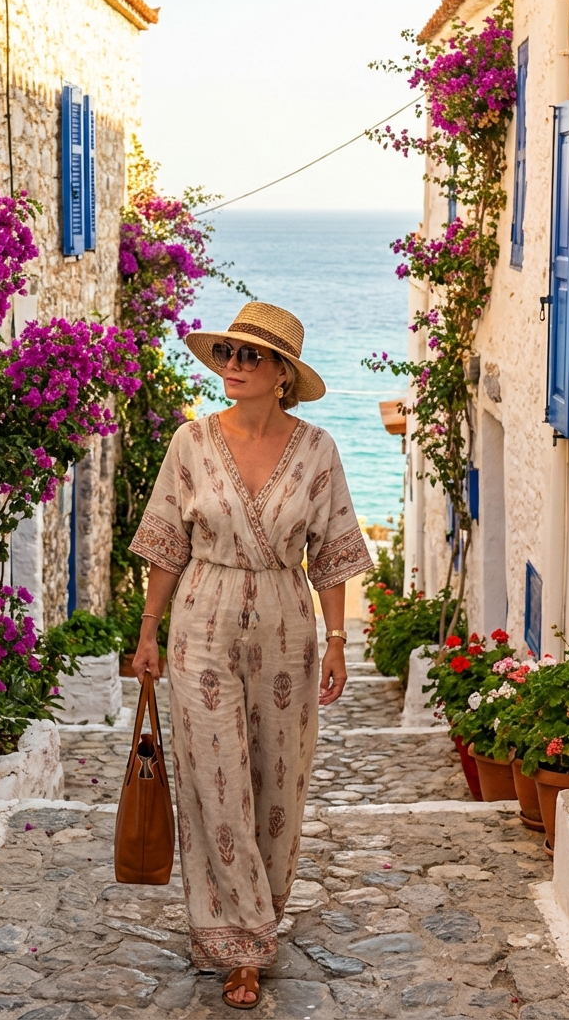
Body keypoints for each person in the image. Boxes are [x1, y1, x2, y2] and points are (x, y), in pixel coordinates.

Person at [129, 302, 372, 1010]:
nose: (232, 366)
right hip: (200, 618)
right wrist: (148, 631)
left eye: (250, 357)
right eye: (228, 354)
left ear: (283, 375)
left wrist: (337, 640)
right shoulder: (191, 443)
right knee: (214, 779)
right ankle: (241, 943)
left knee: (277, 782)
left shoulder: (319, 450)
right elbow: (167, 543)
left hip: (287, 623)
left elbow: (330, 555)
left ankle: (251, 920)